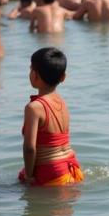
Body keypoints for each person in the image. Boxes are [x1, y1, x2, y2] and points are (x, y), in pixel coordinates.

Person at [19, 47, 83, 186]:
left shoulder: (34, 108)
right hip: (72, 167)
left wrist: (29, 176)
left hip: (51, 172)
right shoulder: (62, 102)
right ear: (63, 77)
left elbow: (29, 148)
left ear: (34, 75)